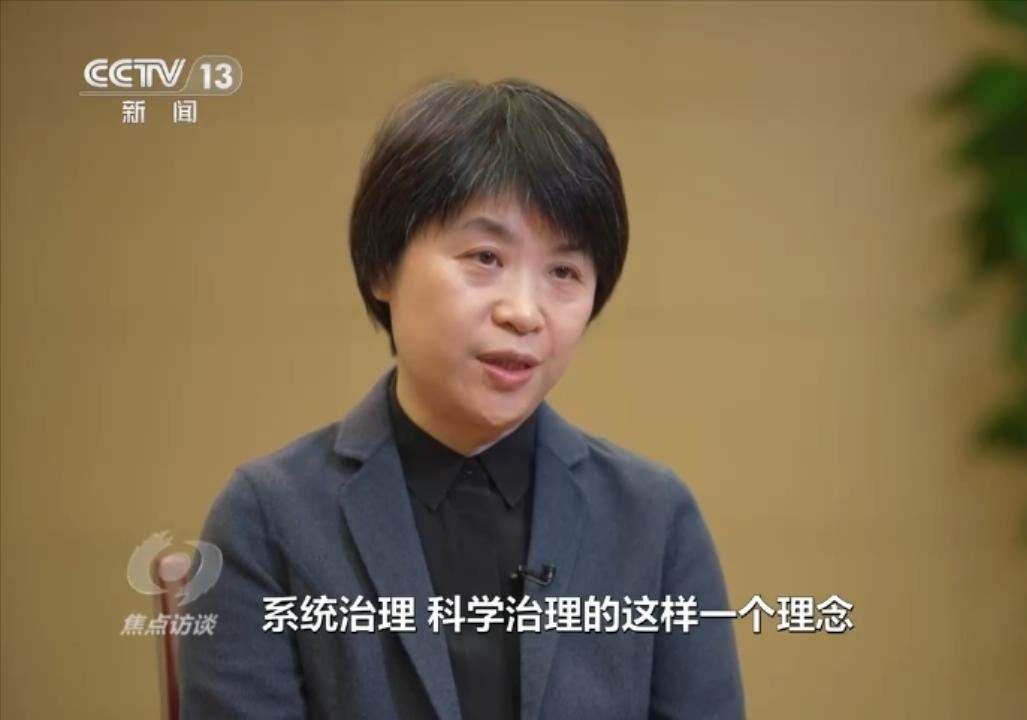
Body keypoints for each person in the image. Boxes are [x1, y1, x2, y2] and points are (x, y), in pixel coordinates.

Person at [177, 78, 745, 720]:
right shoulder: (269, 517)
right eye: (485, 257)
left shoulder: (654, 518)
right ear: (384, 267)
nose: (523, 312)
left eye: (563, 272)